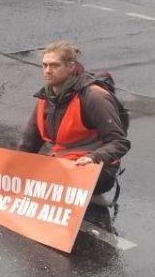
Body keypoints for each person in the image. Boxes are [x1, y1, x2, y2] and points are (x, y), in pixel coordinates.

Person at [18, 41, 130, 205]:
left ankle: (86, 200)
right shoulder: (46, 98)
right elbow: (29, 144)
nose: (48, 71)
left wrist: (94, 158)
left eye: (55, 66)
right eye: (45, 65)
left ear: (71, 67)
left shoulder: (93, 97)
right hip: (63, 163)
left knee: (42, 187)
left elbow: (120, 142)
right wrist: (13, 168)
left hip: (96, 168)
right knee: (27, 179)